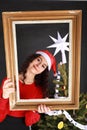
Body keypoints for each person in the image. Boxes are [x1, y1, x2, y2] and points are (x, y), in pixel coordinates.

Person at [0, 50, 57, 130]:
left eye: (43, 66)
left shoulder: (39, 90)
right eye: (38, 60)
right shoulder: (9, 80)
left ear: (43, 71)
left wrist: (36, 111)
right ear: (32, 58)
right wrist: (4, 97)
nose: (39, 65)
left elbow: (28, 122)